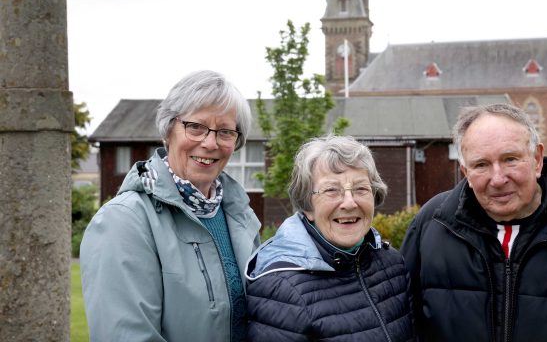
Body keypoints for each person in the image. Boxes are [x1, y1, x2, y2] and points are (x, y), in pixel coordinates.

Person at [80, 70, 261, 342]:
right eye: (196, 127)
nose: (210, 143)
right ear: (168, 129)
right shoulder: (124, 221)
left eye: (225, 132)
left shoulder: (239, 215)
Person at [400, 103, 547, 342]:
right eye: (481, 164)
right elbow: (403, 322)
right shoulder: (433, 223)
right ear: (465, 172)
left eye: (510, 159)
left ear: (536, 159)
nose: (497, 179)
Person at [245, 134, 415, 342]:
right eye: (332, 190)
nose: (349, 203)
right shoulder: (280, 289)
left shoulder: (392, 265)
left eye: (361, 188)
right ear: (308, 206)